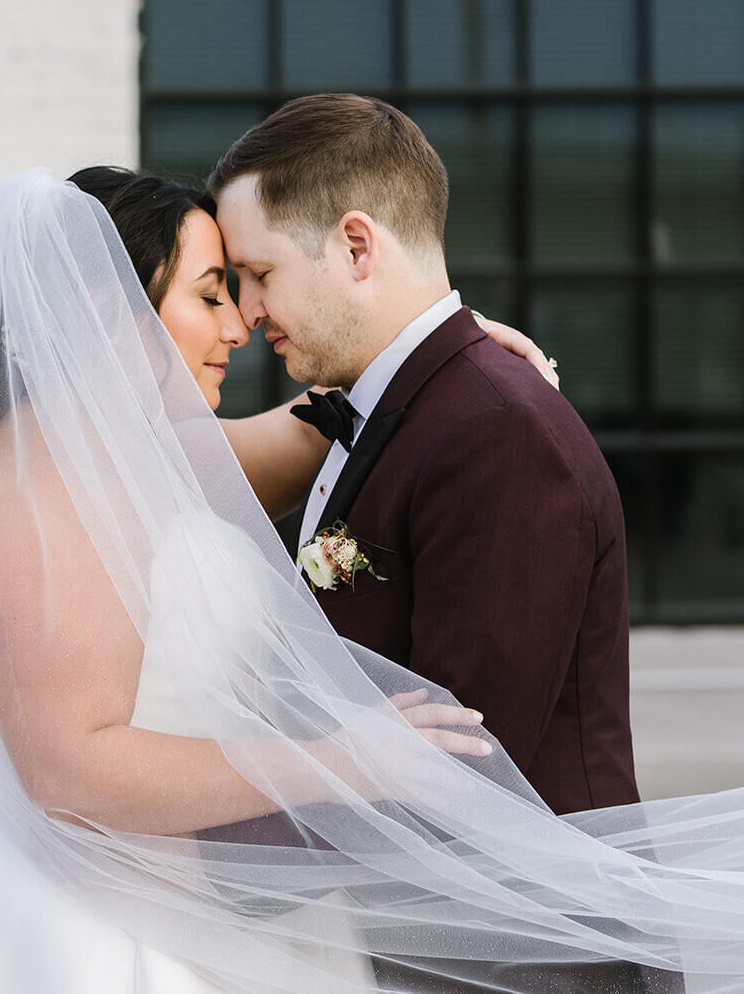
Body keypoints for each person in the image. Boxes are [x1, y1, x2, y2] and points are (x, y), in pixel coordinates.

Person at [0, 169, 744, 994]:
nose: (238, 324)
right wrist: (339, 761)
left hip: (182, 898)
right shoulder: (36, 498)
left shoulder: (136, 455)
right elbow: (72, 768)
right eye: (210, 293)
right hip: (68, 924)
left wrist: (457, 349)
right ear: (108, 312)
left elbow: (338, 419)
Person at [211, 94, 637, 819]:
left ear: (356, 247)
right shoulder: (410, 405)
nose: (247, 312)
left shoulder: (497, 433)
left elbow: (463, 769)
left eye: (259, 273)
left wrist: (206, 875)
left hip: (518, 927)